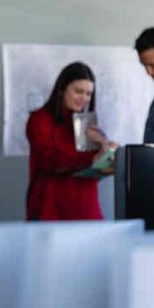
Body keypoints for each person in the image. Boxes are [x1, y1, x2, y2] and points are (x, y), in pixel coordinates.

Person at [25, 62, 117, 221]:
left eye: (89, 94)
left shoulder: (89, 124)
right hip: (50, 209)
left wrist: (107, 153)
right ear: (62, 90)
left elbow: (95, 170)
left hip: (86, 208)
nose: (84, 98)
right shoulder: (40, 119)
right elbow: (49, 160)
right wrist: (91, 159)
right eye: (78, 91)